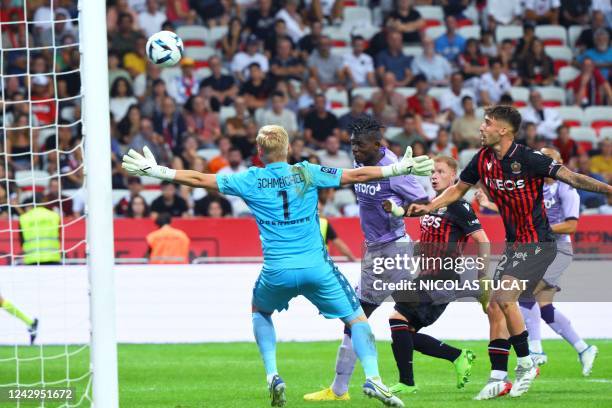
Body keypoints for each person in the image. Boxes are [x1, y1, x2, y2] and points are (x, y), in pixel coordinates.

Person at [122, 124, 436, 407]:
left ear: (260, 152)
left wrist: (157, 171)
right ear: (288, 148)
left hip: (277, 271)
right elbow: (356, 175)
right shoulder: (306, 172)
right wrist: (397, 168)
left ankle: (272, 374)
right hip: (318, 269)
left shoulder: (249, 179)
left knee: (260, 311)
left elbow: (198, 178)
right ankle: (375, 380)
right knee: (356, 319)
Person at [406, 105, 612, 400]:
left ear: (503, 130)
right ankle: (498, 377)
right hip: (516, 244)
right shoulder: (482, 159)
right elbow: (457, 190)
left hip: (539, 243)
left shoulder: (530, 159)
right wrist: (429, 206)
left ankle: (527, 363)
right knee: (494, 307)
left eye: (487, 123)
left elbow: (573, 177)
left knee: (504, 298)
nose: (481, 127)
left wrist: (608, 190)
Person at [303, 117, 440, 402]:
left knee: (357, 316)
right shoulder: (361, 163)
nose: (354, 149)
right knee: (392, 318)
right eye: (352, 144)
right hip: (376, 250)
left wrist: (399, 210)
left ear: (378, 144)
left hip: (392, 250)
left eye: (359, 145)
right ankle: (457, 356)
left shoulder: (397, 170)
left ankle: (343, 389)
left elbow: (425, 205)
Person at [476, 148, 599, 375]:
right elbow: (515, 211)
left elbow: (571, 226)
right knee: (545, 308)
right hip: (537, 247)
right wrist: (488, 204)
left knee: (524, 294)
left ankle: (535, 349)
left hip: (558, 249)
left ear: (560, 163)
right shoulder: (536, 187)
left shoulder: (567, 189)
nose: (545, 162)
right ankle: (584, 348)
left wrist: (536, 230)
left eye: (551, 159)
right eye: (542, 158)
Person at [380, 155, 490, 395]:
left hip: (443, 277)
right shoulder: (431, 205)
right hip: (426, 276)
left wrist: (483, 276)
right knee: (403, 333)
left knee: (397, 319)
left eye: (440, 171)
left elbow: (482, 239)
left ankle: (407, 383)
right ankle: (458, 356)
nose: (434, 175)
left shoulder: (459, 205)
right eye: (432, 171)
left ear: (454, 176)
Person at [19, 196, 61, 266]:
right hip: (52, 257)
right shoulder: (54, 216)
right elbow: (59, 234)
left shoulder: (24, 218)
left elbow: (21, 240)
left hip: (32, 259)